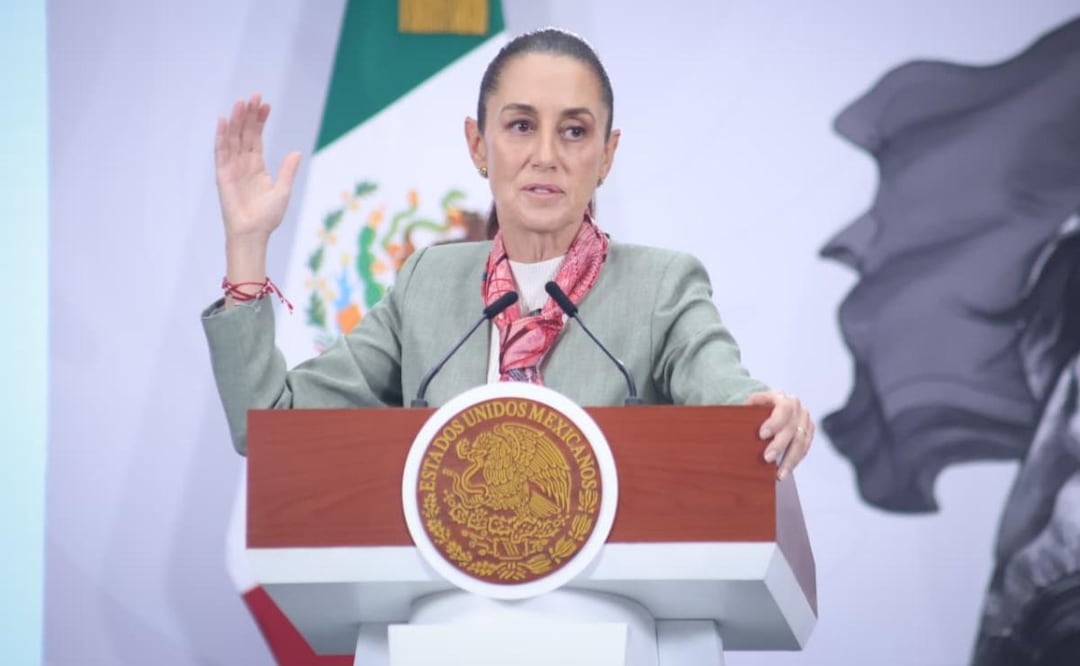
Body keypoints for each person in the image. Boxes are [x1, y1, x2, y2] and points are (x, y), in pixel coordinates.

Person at [202, 27, 814, 480]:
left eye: (574, 131)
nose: (546, 155)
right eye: (521, 125)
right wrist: (247, 245)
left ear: (606, 155)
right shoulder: (427, 284)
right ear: (478, 144)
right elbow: (270, 425)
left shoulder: (661, 287)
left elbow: (729, 397)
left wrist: (767, 414)